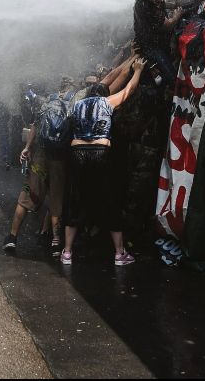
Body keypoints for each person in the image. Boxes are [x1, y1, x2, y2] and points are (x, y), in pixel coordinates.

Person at [60, 57, 147, 266]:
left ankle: (67, 252)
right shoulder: (106, 102)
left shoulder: (77, 105)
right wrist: (137, 70)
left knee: (76, 200)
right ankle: (119, 253)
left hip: (78, 154)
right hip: (101, 153)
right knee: (110, 200)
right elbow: (129, 91)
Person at [2, 77, 76, 256]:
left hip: (40, 156)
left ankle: (12, 237)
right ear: (71, 87)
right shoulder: (75, 101)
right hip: (60, 158)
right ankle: (56, 243)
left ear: (59, 86)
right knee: (56, 199)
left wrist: (27, 148)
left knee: (27, 196)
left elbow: (34, 127)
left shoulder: (45, 102)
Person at [133, 0, 185, 87]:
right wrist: (176, 16)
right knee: (171, 76)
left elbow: (160, 3)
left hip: (157, 40)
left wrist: (173, 5)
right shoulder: (145, 7)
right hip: (150, 45)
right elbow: (168, 25)